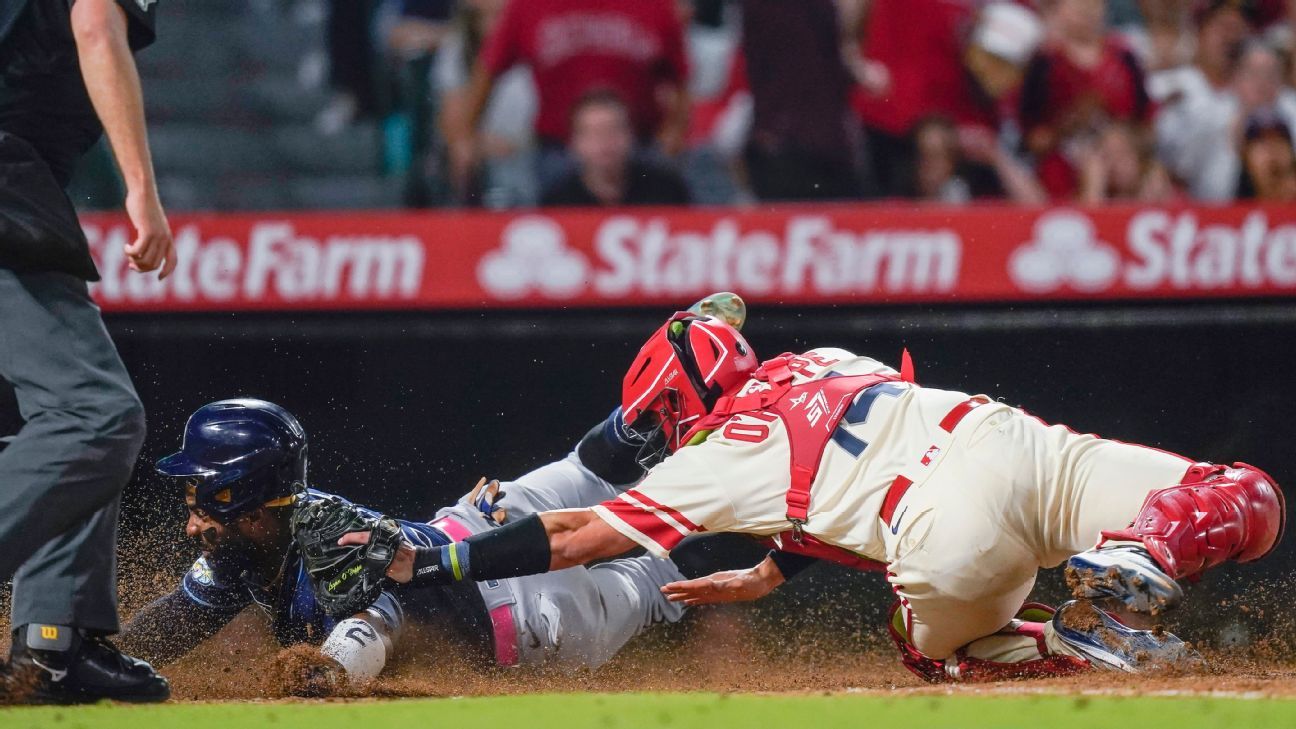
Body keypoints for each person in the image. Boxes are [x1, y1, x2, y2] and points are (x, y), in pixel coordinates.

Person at [341, 311, 1285, 682]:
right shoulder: (828, 358)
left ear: (669, 405)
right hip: (1018, 443)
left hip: (948, 538)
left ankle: (1070, 641)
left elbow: (575, 534)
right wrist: (771, 566)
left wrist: (438, 556)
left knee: (937, 655)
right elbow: (830, 464)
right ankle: (1137, 558)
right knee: (1243, 495)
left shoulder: (705, 459)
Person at [116, 398, 695, 690]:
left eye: (204, 502)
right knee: (645, 547)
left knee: (648, 562)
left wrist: (329, 673)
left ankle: (693, 402)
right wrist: (96, 662)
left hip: (533, 616)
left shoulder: (325, 542)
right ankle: (705, 443)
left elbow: (374, 625)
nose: (193, 525)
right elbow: (174, 622)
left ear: (243, 498)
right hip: (474, 529)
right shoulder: (248, 548)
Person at [0, 0, 175, 704]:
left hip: (24, 180)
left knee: (73, 413)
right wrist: (143, 189)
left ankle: (53, 643)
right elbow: (96, 23)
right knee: (94, 415)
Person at [447, 0, 690, 193]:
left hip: (637, 146)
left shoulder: (655, 5)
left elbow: (680, 75)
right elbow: (489, 68)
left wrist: (675, 130)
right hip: (558, 148)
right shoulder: (530, 6)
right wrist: (466, 133)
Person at [541, 91, 691, 208]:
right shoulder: (558, 203)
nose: (604, 141)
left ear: (631, 134)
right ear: (574, 142)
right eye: (594, 133)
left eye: (613, 129)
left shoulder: (666, 192)